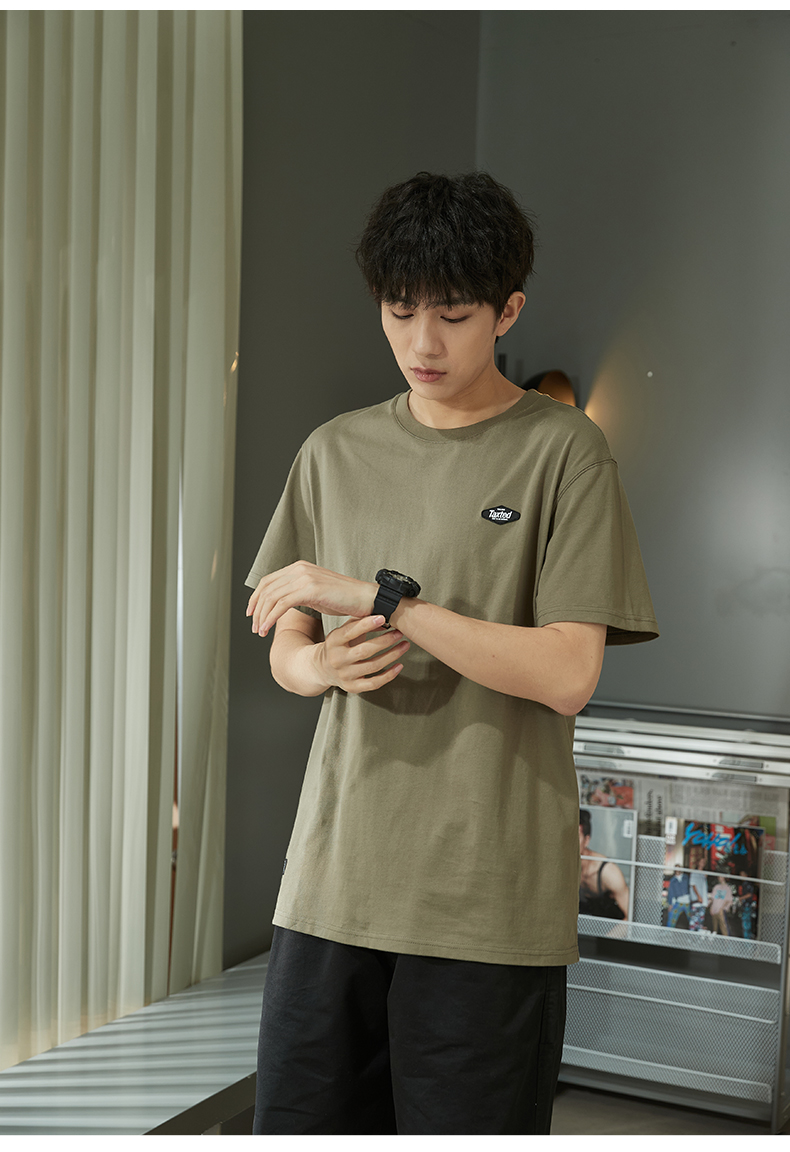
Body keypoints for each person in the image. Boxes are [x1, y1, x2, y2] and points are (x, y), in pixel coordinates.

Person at [245, 171, 659, 1135]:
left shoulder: (565, 453)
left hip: (486, 905)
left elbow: (568, 674)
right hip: (331, 885)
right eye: (400, 313)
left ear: (507, 311)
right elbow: (286, 640)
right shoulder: (333, 451)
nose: (422, 344)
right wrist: (317, 667)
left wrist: (382, 601)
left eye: (454, 316)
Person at [578, 809, 631, 921]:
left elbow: (630, 917)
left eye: (575, 837)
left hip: (611, 926)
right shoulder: (561, 866)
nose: (569, 843)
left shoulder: (608, 872)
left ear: (586, 840)